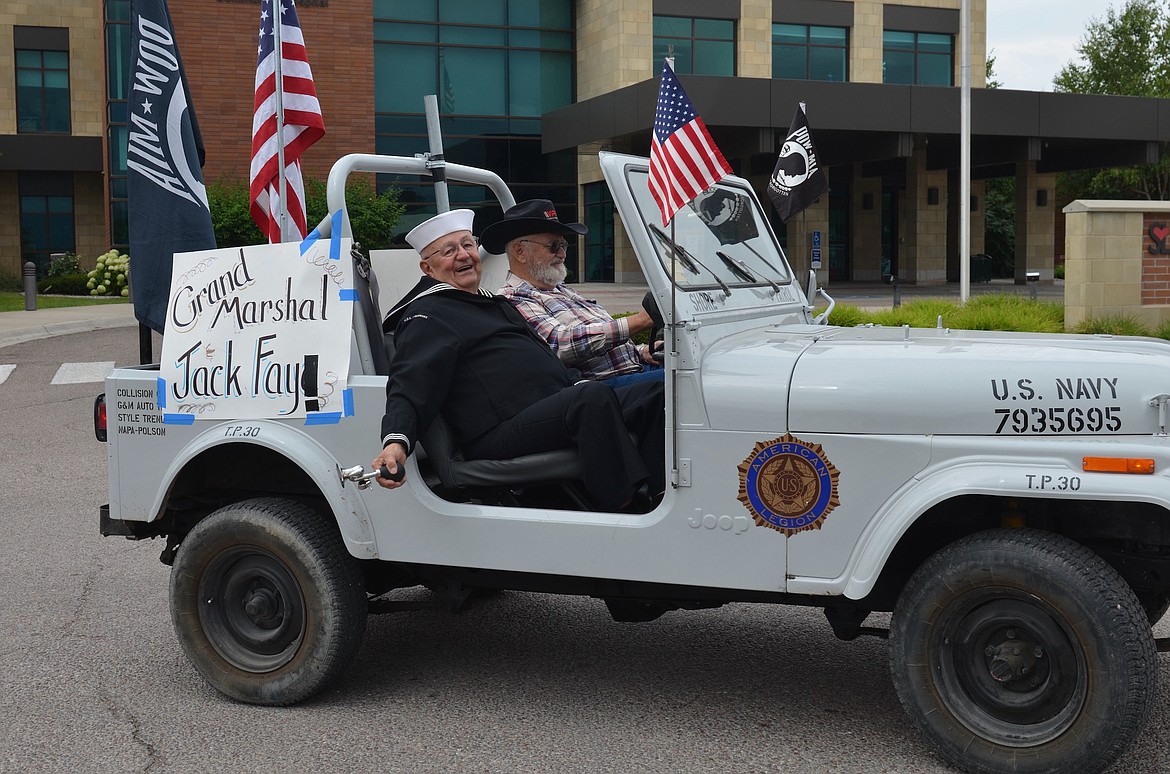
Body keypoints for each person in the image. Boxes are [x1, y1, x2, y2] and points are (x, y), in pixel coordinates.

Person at [371, 208, 665, 512]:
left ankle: (663, 499)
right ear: (427, 268)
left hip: (547, 407)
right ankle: (626, 509)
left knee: (657, 393)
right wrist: (396, 442)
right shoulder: (427, 315)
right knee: (589, 397)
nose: (463, 255)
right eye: (449, 251)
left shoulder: (493, 304)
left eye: (468, 245)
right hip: (498, 430)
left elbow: (544, 358)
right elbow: (410, 384)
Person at [480, 199, 663, 387]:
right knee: (685, 383)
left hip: (634, 372)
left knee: (690, 366)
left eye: (563, 245)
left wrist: (641, 351)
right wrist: (641, 320)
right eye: (553, 246)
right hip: (602, 390)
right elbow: (560, 344)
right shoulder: (513, 298)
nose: (562, 254)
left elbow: (598, 337)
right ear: (520, 252)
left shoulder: (561, 290)